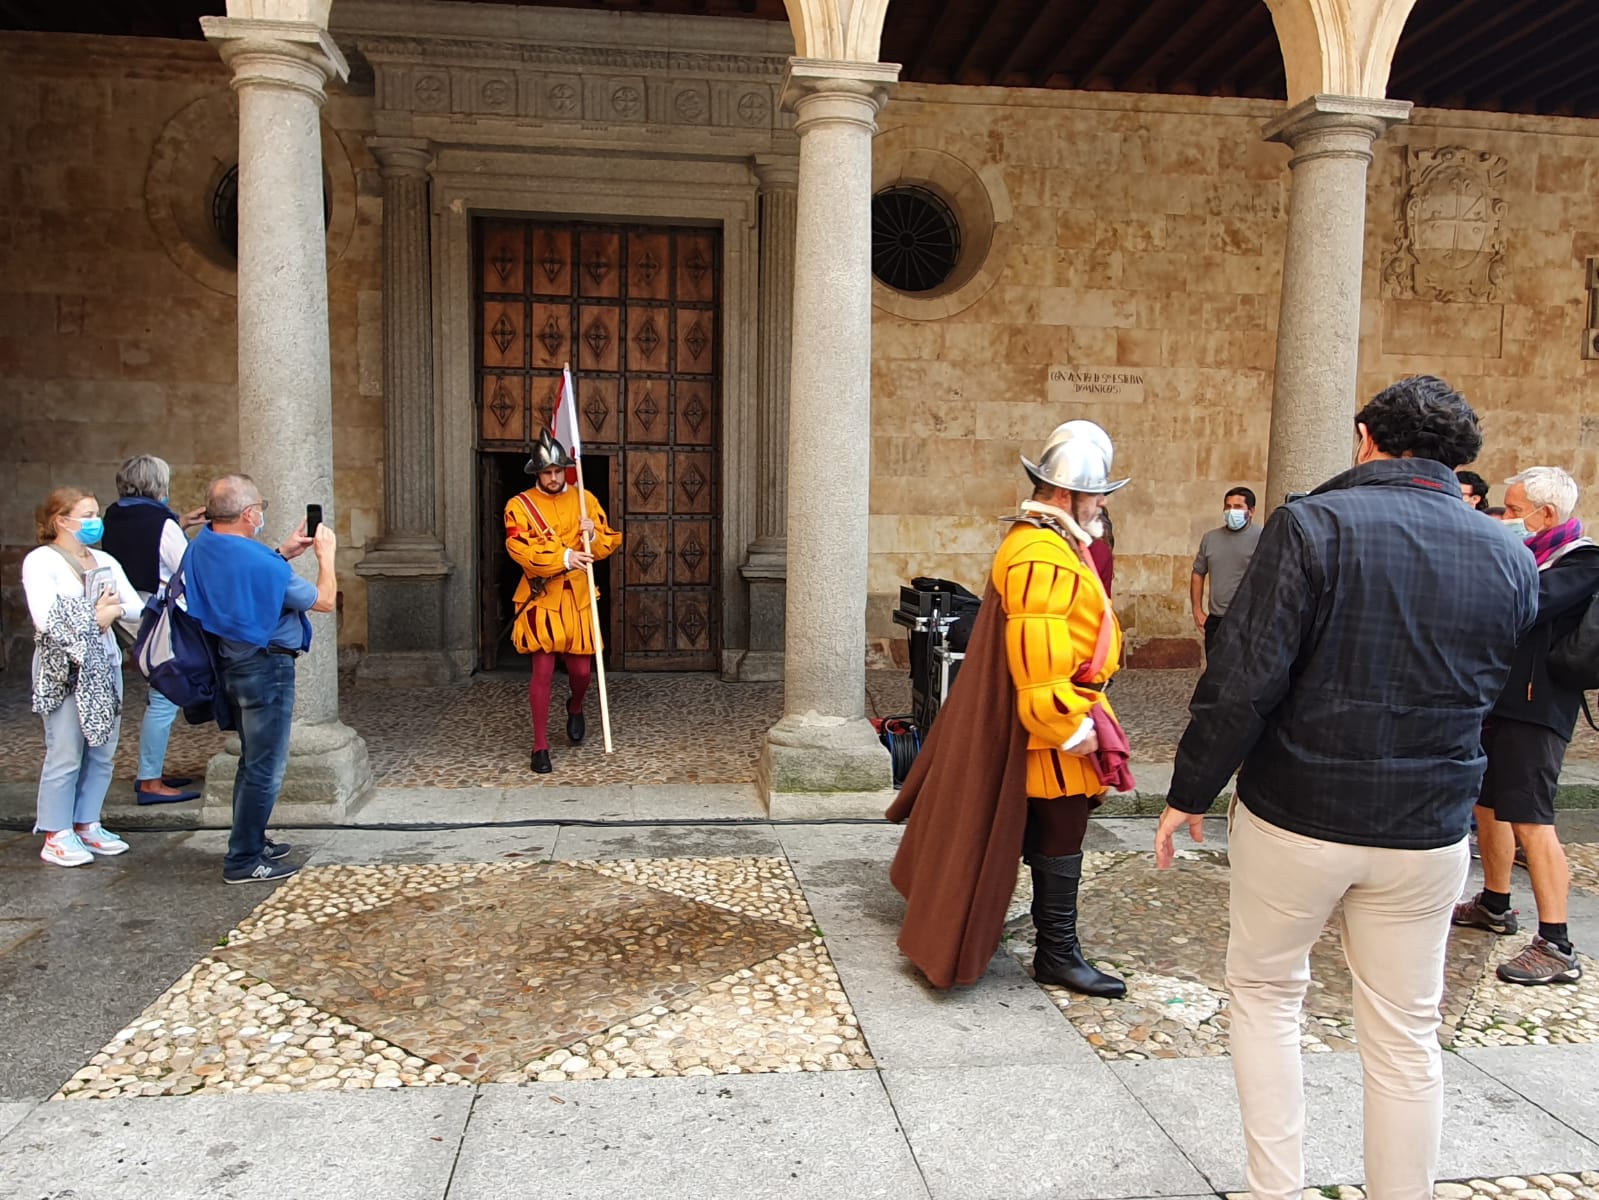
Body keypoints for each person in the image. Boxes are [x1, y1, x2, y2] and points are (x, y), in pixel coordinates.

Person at [1153, 376, 1537, 1200]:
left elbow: (1243, 677)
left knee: (1264, 993)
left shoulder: (1311, 523)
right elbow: (1495, 684)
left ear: (1365, 438)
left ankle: (1276, 1188)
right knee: (1405, 1035)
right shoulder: (1507, 551)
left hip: (1300, 810)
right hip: (1428, 825)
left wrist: (1189, 790)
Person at [888, 420, 1133, 996]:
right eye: (1098, 493)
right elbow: (1039, 665)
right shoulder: (1041, 555)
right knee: (1059, 830)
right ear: (1069, 493)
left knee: (1050, 832)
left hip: (1061, 716)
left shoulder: (1052, 544)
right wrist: (1078, 728)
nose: (1102, 505)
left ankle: (1058, 948)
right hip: (1054, 724)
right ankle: (1058, 953)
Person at [1453, 466, 1599, 985]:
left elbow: (1525, 603)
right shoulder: (1531, 556)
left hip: (1540, 708)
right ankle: (1494, 903)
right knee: (1488, 806)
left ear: (1547, 515)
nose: (1507, 519)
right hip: (1499, 700)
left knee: (1531, 819)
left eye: (1514, 512)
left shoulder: (1582, 560)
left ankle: (1557, 943)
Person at [183, 475, 336, 884]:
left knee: (251, 761)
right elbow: (323, 601)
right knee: (266, 768)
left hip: (233, 663)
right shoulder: (256, 560)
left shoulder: (203, 546)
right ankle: (244, 859)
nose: (262, 513)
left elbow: (247, 575)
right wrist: (326, 557)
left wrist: (283, 552)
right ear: (250, 514)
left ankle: (251, 839)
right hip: (265, 668)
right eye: (260, 507)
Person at [23, 487, 143, 867]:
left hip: (104, 663)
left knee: (103, 748)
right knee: (66, 748)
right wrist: (96, 616)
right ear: (62, 520)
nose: (95, 522)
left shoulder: (104, 559)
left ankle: (86, 820)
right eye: (86, 515)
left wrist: (114, 611)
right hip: (66, 668)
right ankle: (56, 831)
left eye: (96, 514)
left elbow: (136, 606)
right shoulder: (41, 561)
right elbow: (46, 619)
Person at [505, 430, 622, 774]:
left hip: (578, 598)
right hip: (541, 597)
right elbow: (519, 549)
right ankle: (540, 745)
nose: (554, 478)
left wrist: (594, 534)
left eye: (559, 471)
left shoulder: (585, 499)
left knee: (581, 672)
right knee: (542, 671)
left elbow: (607, 544)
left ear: (567, 470)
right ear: (537, 473)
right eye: (547, 472)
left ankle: (575, 705)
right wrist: (565, 556)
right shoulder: (519, 505)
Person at [100, 454, 207, 805]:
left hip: (128, 613)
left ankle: (151, 770)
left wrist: (178, 521)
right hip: (158, 616)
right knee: (164, 695)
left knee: (157, 693)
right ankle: (149, 781)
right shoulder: (163, 523)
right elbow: (184, 566)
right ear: (158, 484)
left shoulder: (115, 515)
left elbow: (140, 541)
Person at [1190, 487, 1261, 658]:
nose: (1231, 511)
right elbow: (1198, 572)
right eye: (1228, 507)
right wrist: (1197, 611)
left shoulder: (1263, 537)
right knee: (1215, 674)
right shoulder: (1210, 538)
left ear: (1250, 511)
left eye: (1237, 507)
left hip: (1248, 620)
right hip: (1217, 620)